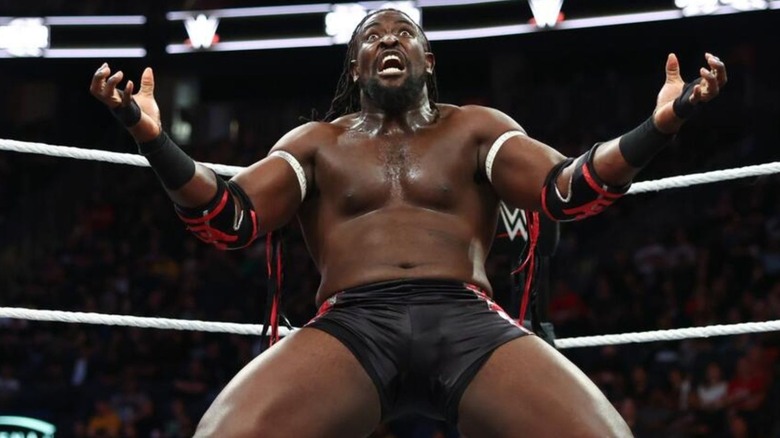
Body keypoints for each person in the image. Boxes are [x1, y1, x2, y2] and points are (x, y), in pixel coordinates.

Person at [89, 8, 727, 437]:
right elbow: (227, 219)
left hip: (467, 321)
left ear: (428, 60)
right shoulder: (316, 143)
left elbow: (566, 192)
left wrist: (661, 127)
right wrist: (151, 137)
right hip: (351, 325)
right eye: (371, 37)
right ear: (355, 66)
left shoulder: (476, 127)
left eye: (403, 35)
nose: (387, 41)